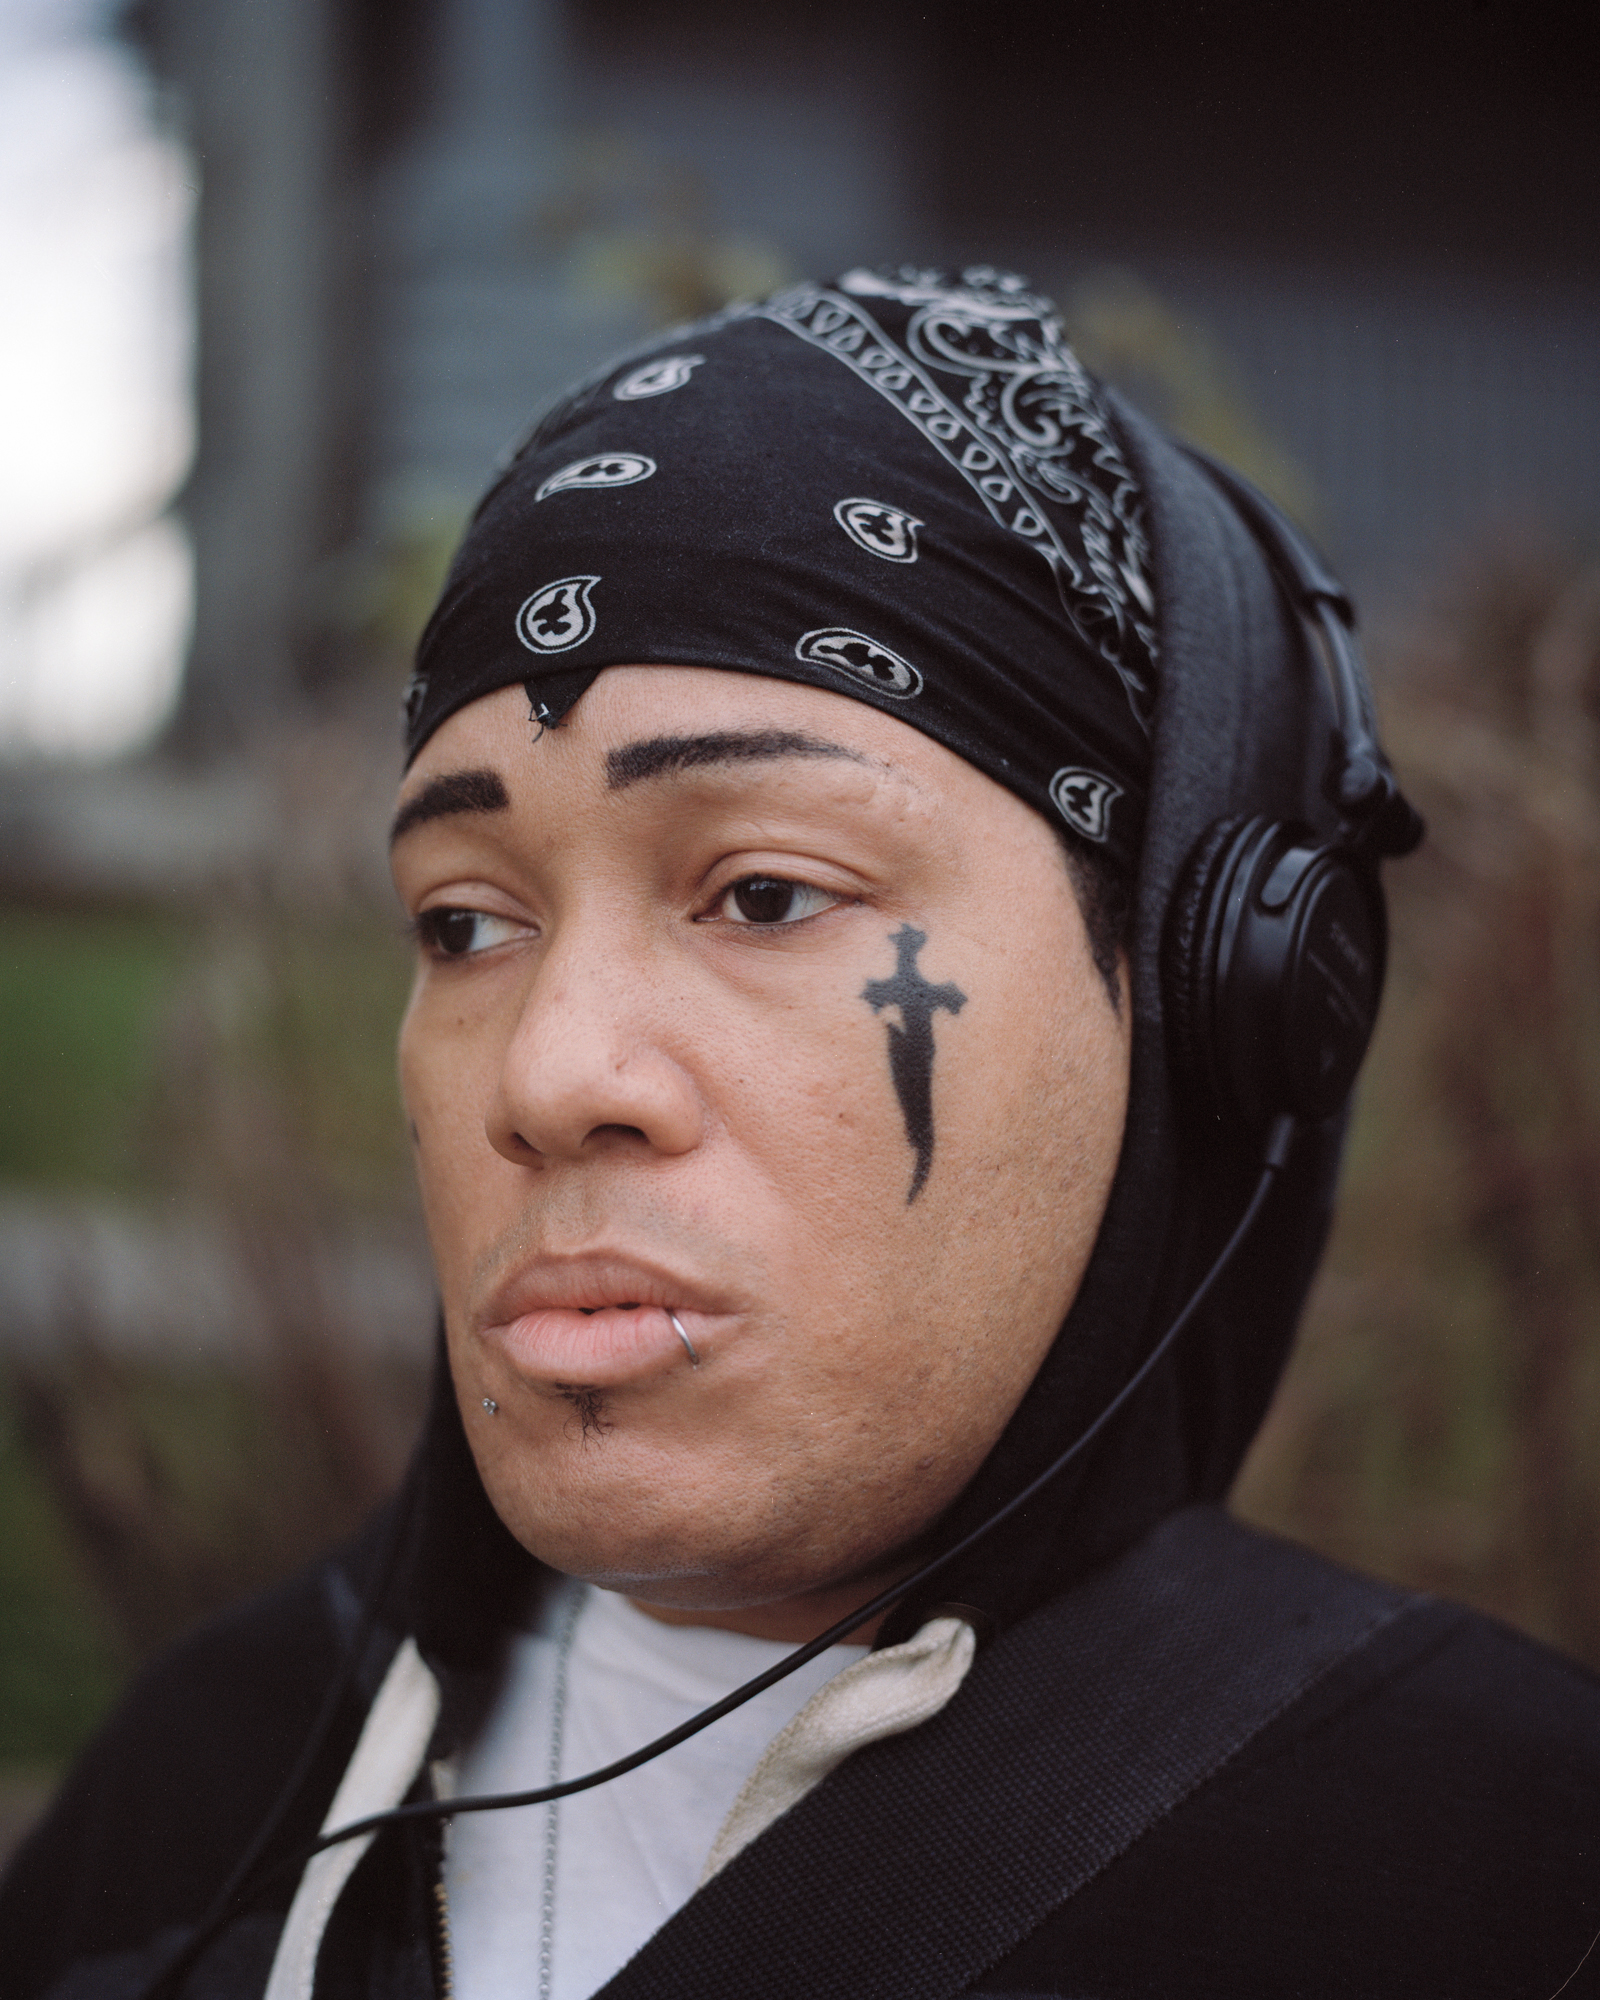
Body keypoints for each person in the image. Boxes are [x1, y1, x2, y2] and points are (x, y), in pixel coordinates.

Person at [4, 266, 1599, 2000]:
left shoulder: (1497, 1884)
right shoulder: (201, 1800)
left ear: (1208, 1000)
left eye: (765, 892)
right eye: (466, 922)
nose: (546, 1076)